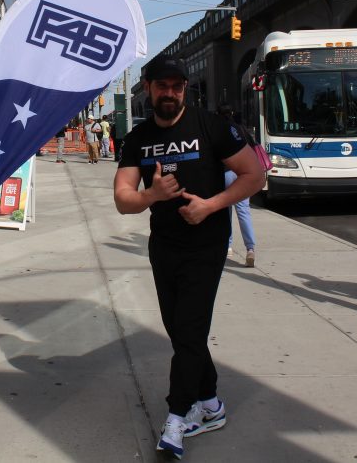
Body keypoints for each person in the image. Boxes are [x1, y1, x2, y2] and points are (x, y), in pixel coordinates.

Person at [113, 54, 264, 460]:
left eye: (177, 86)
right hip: (163, 247)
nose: (170, 93)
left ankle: (177, 417)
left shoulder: (212, 126)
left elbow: (254, 175)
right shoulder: (138, 138)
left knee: (190, 330)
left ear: (185, 89)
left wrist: (211, 206)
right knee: (182, 332)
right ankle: (211, 403)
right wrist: (151, 195)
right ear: (148, 88)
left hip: (205, 246)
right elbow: (123, 199)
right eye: (162, 85)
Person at [217, 104, 258, 268]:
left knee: (225, 211)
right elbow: (253, 148)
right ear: (232, 113)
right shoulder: (241, 129)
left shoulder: (217, 130)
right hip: (242, 174)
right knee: (243, 211)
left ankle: (228, 246)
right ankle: (250, 248)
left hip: (225, 173)